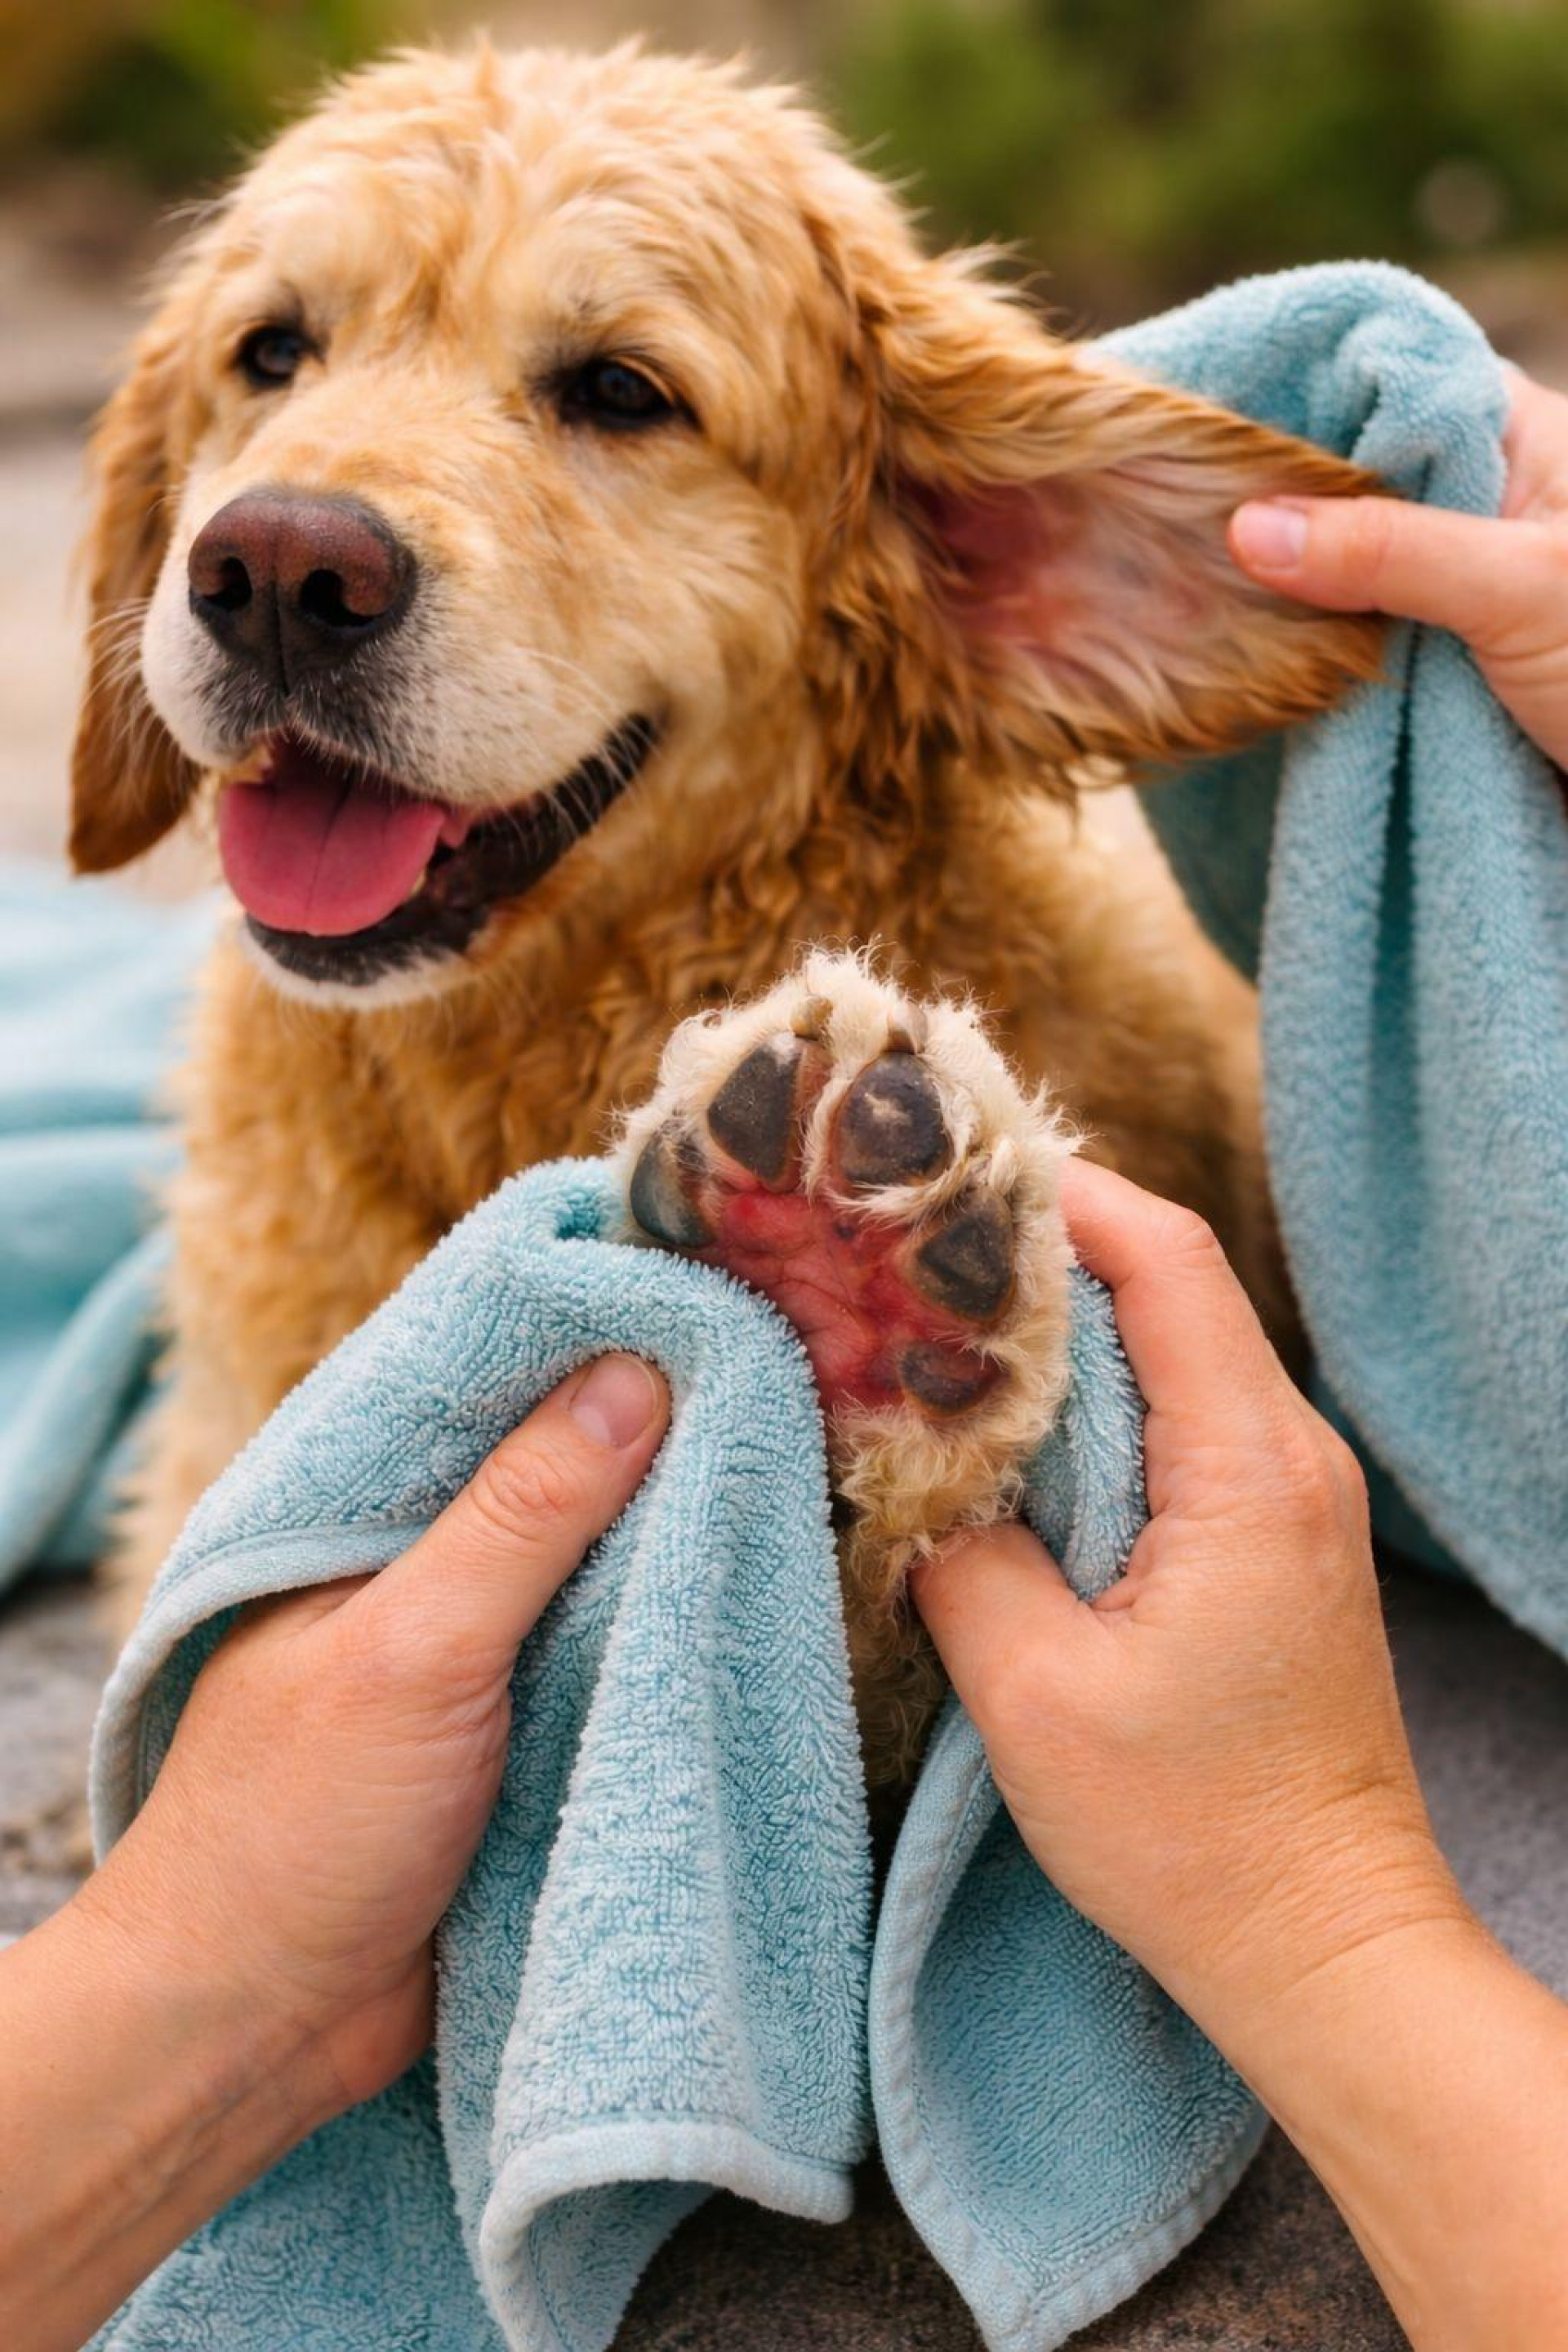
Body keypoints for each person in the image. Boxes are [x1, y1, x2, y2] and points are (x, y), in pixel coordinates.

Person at [4, 370, 1568, 2352]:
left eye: (615, 392)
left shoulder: (1081, 944)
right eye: (275, 355)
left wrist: (1310, 1898)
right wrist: (210, 1955)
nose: (308, 513)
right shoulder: (245, 1069)